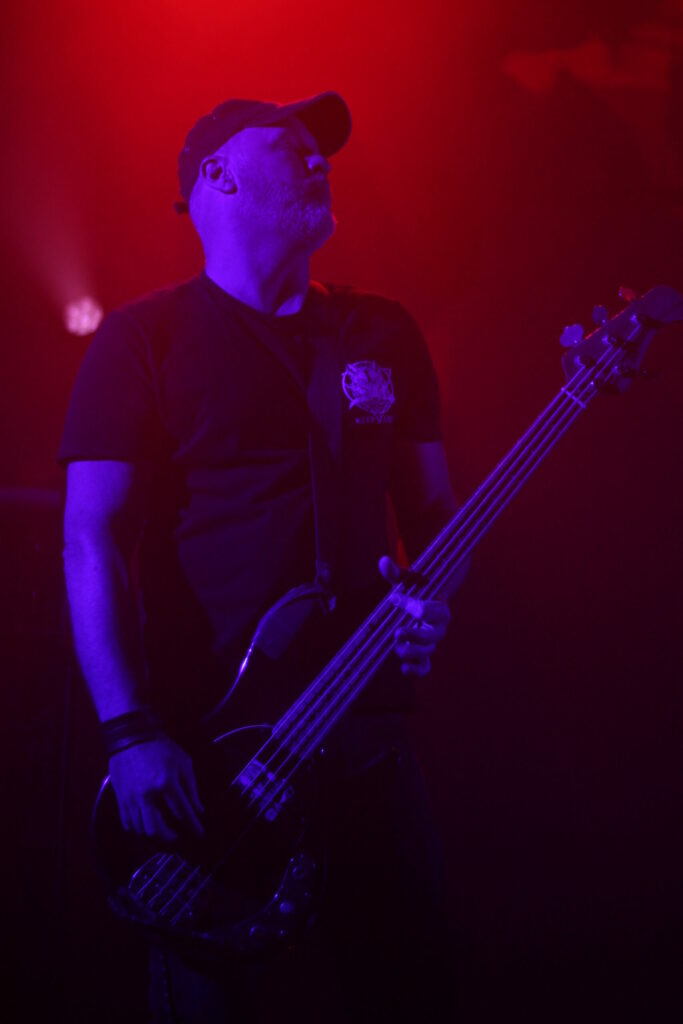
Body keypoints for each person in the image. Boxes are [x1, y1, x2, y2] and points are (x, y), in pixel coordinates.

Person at [60, 91, 464, 1022]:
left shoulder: (379, 333)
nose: (319, 160)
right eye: (290, 145)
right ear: (218, 175)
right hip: (213, 759)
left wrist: (434, 599)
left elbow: (436, 515)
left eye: (322, 150)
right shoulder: (144, 339)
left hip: (364, 742)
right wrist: (129, 731)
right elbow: (93, 539)